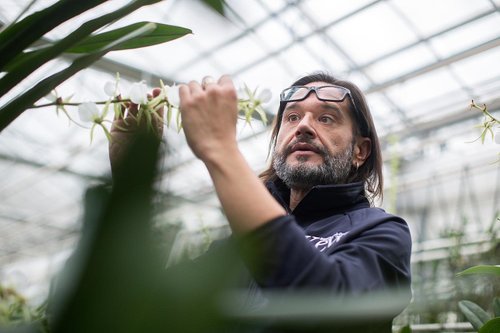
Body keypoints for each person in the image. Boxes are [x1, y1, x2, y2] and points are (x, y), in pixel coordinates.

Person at [110, 71, 412, 331]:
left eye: (326, 118)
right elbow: (157, 303)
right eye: (291, 116)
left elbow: (325, 311)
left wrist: (219, 150)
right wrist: (130, 184)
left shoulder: (382, 233)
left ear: (360, 151)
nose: (303, 125)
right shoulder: (237, 244)